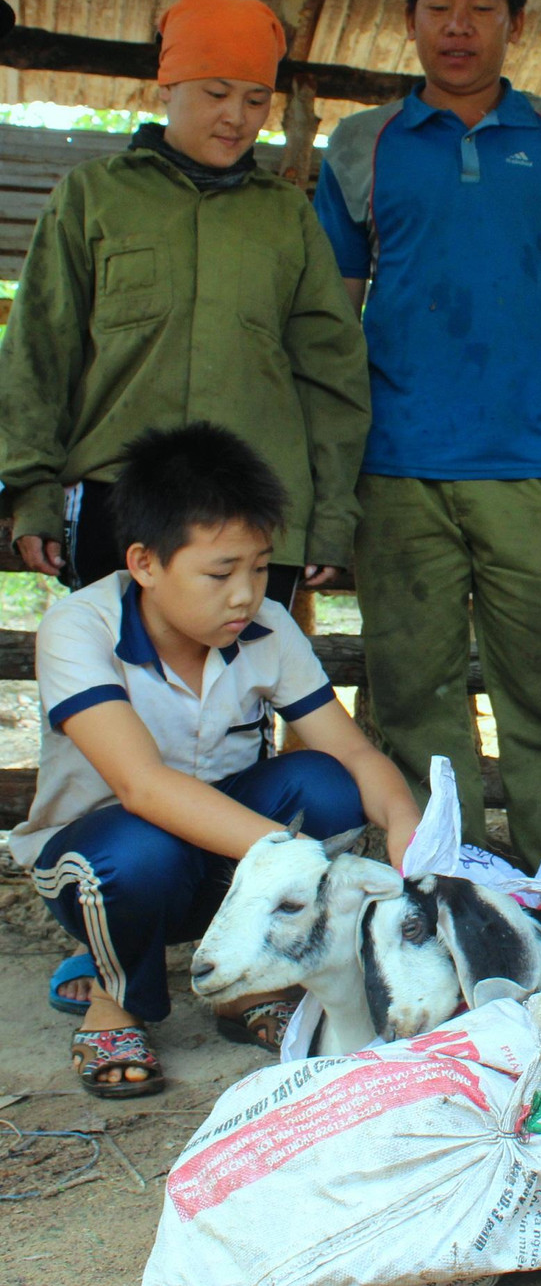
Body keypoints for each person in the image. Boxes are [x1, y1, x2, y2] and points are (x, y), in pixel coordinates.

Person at [313, 0, 541, 874]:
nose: (459, 28)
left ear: (516, 22)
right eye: (439, 8)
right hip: (397, 468)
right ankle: (445, 896)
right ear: (408, 19)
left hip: (538, 465)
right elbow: (335, 317)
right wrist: (335, 470)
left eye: (482, 8)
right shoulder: (363, 145)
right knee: (412, 698)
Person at [9, 423, 421, 1099]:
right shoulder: (80, 628)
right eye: (221, 572)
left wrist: (404, 819)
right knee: (137, 850)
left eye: (259, 567)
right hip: (103, 864)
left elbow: (349, 748)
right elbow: (141, 786)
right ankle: (119, 998)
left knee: (328, 784)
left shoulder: (267, 628)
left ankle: (247, 984)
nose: (245, 593)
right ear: (144, 563)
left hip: (225, 859)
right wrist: (292, 855)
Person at [0, 0, 370, 605]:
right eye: (217, 93)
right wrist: (33, 487)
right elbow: (40, 349)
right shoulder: (93, 197)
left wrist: (331, 515)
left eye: (256, 100)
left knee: (238, 698)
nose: (237, 116)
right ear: (167, 87)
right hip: (118, 504)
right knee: (118, 695)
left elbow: (331, 375)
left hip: (257, 510)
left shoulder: (285, 216)